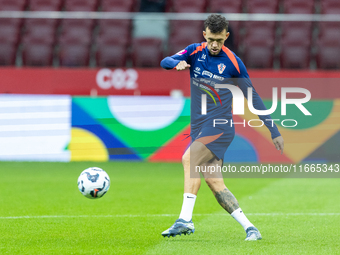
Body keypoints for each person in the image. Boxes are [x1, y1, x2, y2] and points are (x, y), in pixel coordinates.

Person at [160, 14, 284, 241]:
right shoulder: (194, 51)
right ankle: (251, 229)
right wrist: (176, 63)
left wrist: (273, 129)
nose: (215, 45)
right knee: (214, 182)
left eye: (219, 40)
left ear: (226, 36)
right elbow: (165, 61)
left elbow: (253, 97)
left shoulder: (233, 62)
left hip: (219, 126)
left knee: (190, 159)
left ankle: (184, 220)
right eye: (211, 40)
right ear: (204, 34)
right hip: (199, 126)